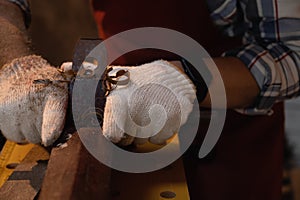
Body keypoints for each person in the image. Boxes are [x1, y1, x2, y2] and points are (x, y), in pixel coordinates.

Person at [0, 0, 299, 199]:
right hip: (122, 104)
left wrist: (184, 79)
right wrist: (17, 67)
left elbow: (291, 51)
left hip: (232, 132)